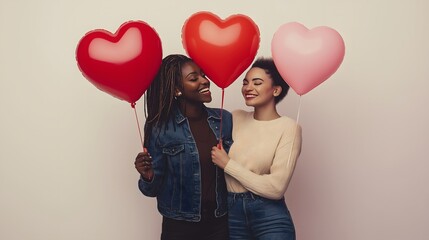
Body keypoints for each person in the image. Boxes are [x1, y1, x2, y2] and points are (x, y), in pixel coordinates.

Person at [134, 54, 233, 240]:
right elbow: (151, 190)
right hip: (179, 226)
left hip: (220, 223)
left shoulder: (224, 120)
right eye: (194, 78)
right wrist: (147, 176)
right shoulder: (160, 127)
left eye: (203, 75)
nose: (205, 81)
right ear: (177, 89)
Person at [211, 57, 302, 240]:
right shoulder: (235, 117)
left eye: (257, 83)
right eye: (245, 82)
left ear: (276, 90)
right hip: (231, 214)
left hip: (269, 215)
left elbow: (276, 188)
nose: (248, 88)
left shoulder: (288, 127)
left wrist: (228, 165)